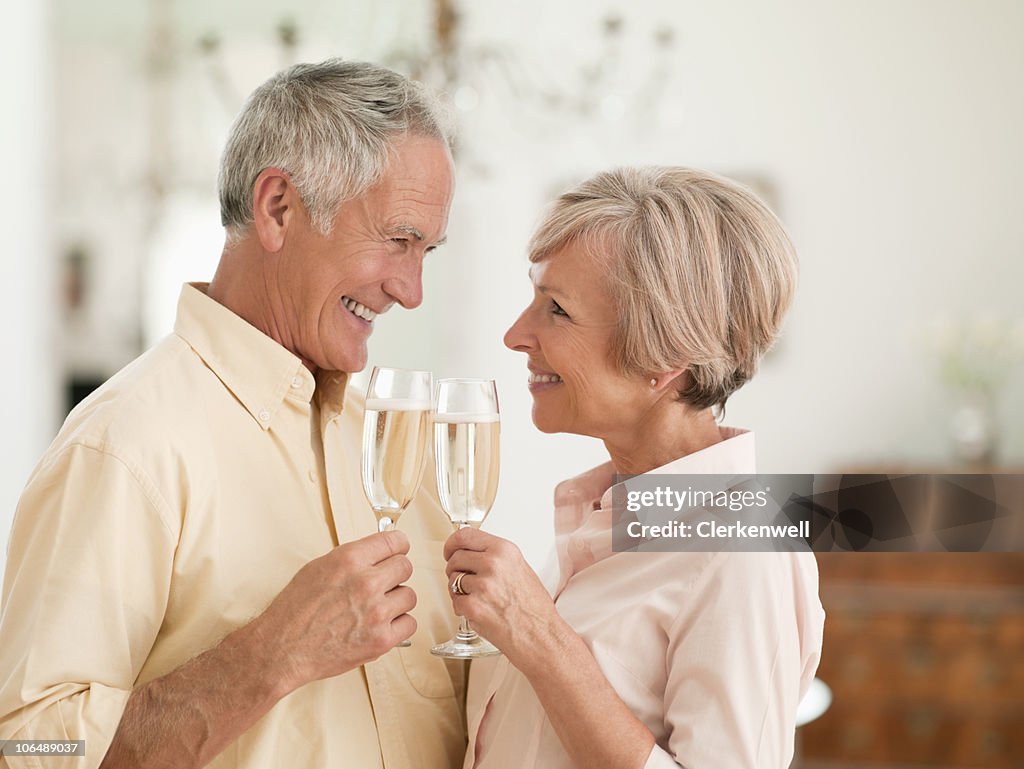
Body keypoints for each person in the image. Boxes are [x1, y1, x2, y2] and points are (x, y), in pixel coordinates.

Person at [0, 60, 466, 769]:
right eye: (397, 240)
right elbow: (25, 743)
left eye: (426, 251)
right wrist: (268, 656)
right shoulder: (125, 447)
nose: (411, 289)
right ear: (278, 206)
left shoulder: (399, 449)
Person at [442, 167, 825, 769]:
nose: (517, 334)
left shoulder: (741, 553)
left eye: (558, 310)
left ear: (664, 356)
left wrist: (541, 640)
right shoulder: (601, 519)